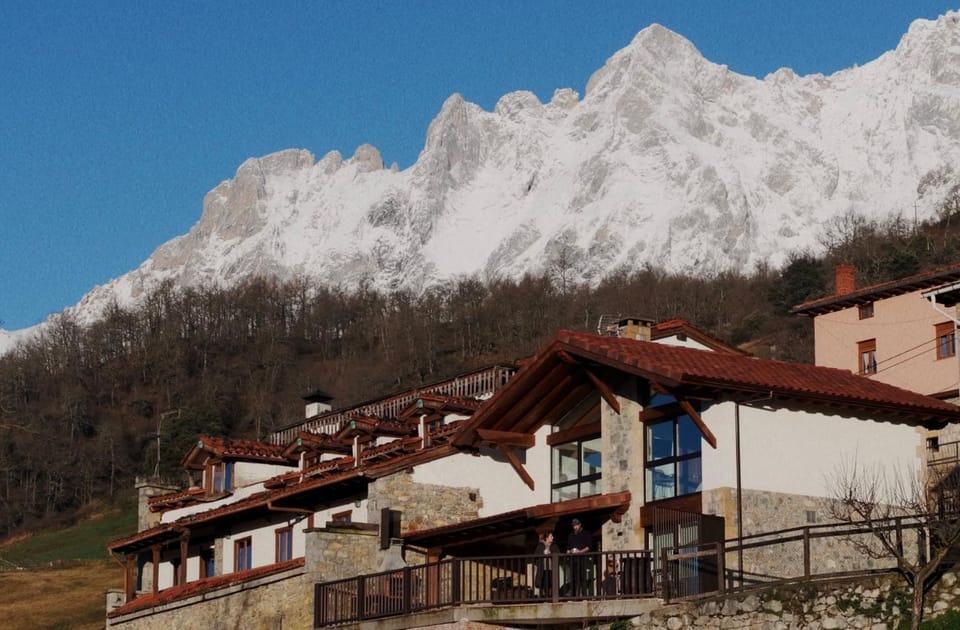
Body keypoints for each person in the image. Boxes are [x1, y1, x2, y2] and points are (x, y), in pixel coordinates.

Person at [566, 518, 592, 597]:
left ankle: (583, 595)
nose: (575, 527)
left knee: (582, 577)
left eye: (576, 525)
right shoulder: (571, 535)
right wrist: (569, 552)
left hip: (582, 559)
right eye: (574, 525)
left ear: (580, 525)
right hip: (573, 559)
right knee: (573, 577)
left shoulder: (586, 534)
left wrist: (580, 552)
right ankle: (574, 595)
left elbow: (588, 547)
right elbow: (568, 547)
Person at [533, 531, 559, 596]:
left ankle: (550, 597)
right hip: (542, 568)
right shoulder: (540, 546)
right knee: (542, 583)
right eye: (551, 536)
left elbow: (558, 554)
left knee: (551, 584)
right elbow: (535, 555)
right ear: (547, 538)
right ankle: (543, 598)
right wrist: (543, 553)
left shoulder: (554, 546)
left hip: (551, 568)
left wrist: (551, 553)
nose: (553, 538)